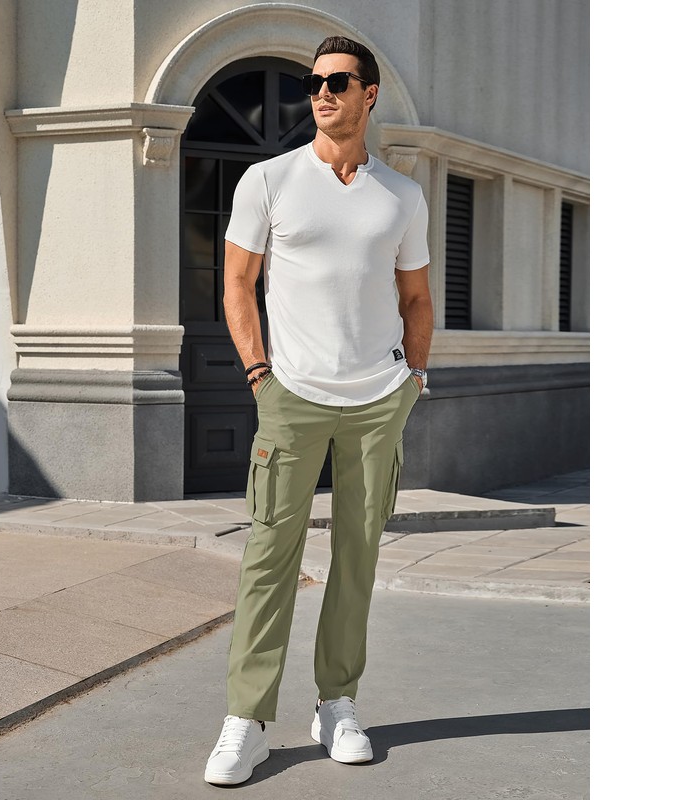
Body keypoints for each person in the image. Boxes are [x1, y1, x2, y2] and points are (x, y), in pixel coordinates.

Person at [204, 34, 433, 786]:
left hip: (377, 401)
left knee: (357, 559)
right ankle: (246, 719)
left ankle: (337, 703)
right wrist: (259, 375)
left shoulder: (401, 196)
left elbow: (416, 298)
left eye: (338, 81)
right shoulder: (269, 180)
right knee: (269, 557)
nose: (322, 93)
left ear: (370, 93)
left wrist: (413, 381)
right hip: (292, 397)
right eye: (314, 83)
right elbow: (237, 283)